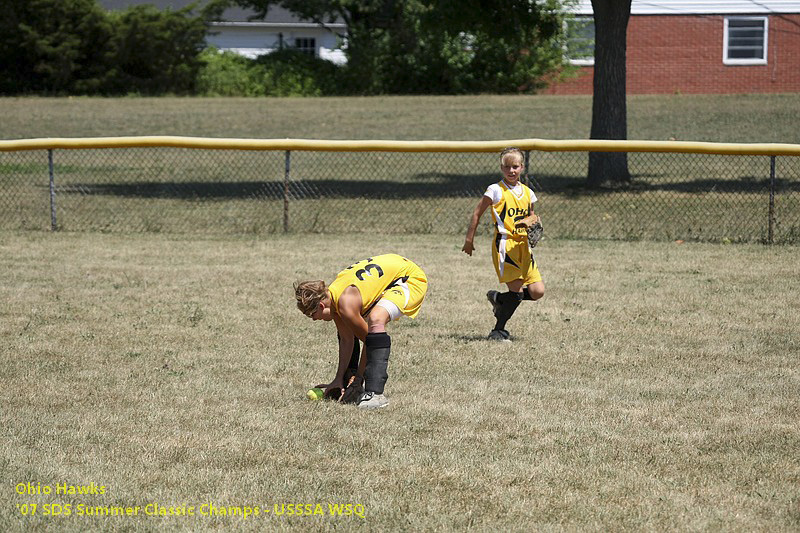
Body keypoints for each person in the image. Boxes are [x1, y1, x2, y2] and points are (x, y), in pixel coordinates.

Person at [294, 253, 428, 409]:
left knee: (376, 319)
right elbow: (347, 339)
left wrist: (358, 379)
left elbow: (369, 341)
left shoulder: (345, 304)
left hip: (409, 277)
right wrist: (338, 379)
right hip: (395, 269)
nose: (314, 319)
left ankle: (376, 394)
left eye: (312, 315)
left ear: (322, 306)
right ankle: (349, 382)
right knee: (370, 322)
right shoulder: (333, 295)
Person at [462, 147, 545, 342]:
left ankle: (499, 299)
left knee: (537, 292)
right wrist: (469, 239)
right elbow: (477, 213)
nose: (511, 170)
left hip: (524, 246)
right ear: (501, 167)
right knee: (515, 293)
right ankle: (498, 331)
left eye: (515, 166)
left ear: (522, 167)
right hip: (505, 245)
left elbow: (531, 214)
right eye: (507, 167)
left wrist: (531, 220)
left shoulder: (528, 192)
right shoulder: (495, 190)